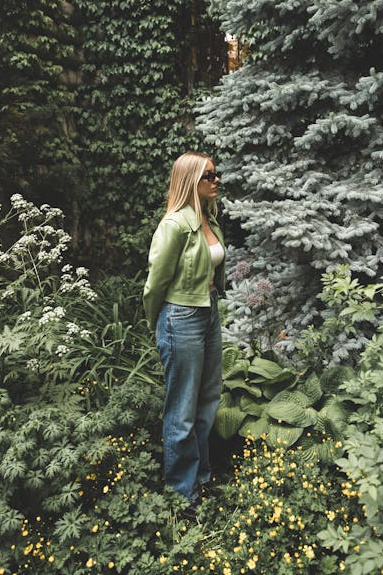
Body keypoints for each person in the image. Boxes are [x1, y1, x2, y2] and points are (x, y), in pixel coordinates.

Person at [143, 151, 225, 512]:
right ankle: (182, 496)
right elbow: (154, 284)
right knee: (182, 411)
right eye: (209, 175)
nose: (216, 179)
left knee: (208, 401)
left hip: (208, 314)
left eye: (216, 173)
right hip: (181, 317)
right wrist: (158, 323)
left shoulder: (209, 220)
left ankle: (201, 479)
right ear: (191, 179)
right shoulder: (175, 225)